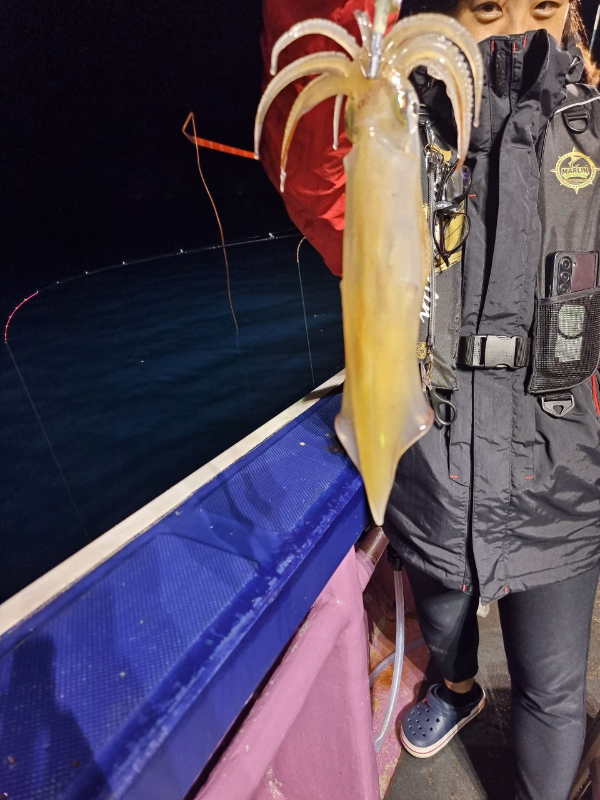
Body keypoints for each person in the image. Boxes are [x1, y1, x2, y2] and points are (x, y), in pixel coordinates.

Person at [259, 1, 600, 798]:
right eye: (488, 8)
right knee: (444, 626)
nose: (518, 29)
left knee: (553, 687)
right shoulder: (399, 132)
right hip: (436, 466)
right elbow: (317, 180)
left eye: (544, 6)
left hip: (562, 473)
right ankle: (456, 686)